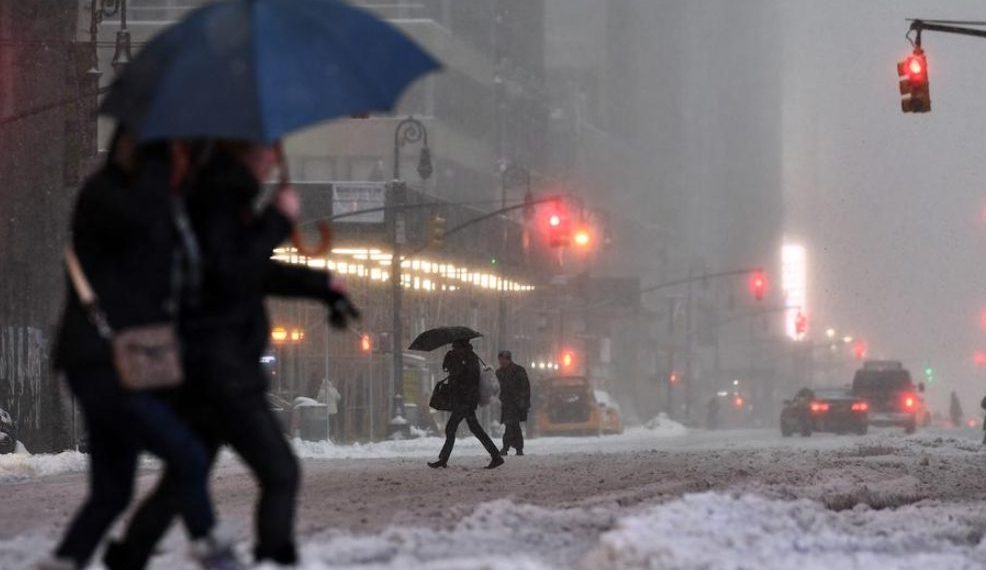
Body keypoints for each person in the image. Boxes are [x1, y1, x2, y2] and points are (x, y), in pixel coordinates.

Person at [102, 140, 359, 569]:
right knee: (280, 473)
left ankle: (129, 555)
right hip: (224, 370)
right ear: (246, 154)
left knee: (187, 475)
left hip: (208, 366)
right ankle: (274, 558)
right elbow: (233, 270)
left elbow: (251, 270)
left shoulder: (218, 195)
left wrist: (322, 286)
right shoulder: (218, 196)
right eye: (266, 154)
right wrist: (279, 218)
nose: (273, 162)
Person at [41, 132, 233, 570]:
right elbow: (149, 253)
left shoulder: (135, 197)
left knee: (112, 493)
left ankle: (66, 561)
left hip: (111, 360)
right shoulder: (115, 197)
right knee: (186, 454)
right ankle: (214, 554)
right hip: (104, 360)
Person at [429, 340, 503, 469]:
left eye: (454, 345)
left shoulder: (463, 357)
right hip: (468, 399)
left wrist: (452, 361)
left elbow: (457, 375)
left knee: (451, 428)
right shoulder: (471, 356)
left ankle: (443, 459)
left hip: (464, 400)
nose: (452, 346)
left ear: (458, 345)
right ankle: (496, 456)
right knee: (475, 429)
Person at [495, 351, 530, 456]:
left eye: (502, 360)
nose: (501, 362)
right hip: (506, 403)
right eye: (500, 360)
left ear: (508, 359)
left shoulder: (518, 371)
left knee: (511, 425)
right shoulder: (499, 372)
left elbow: (525, 387)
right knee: (513, 426)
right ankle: (518, 448)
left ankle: (506, 448)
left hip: (516, 403)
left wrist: (523, 401)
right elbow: (495, 386)